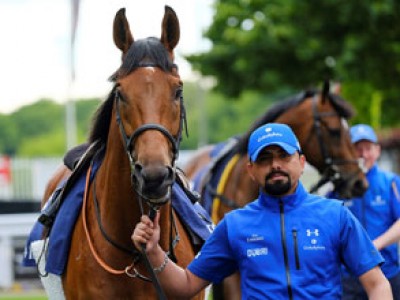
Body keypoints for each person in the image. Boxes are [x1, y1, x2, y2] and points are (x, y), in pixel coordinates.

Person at [132, 123, 392, 299]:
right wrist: (154, 251)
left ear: (301, 163)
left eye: (284, 156)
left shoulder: (336, 215)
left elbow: (377, 283)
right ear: (251, 171)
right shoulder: (234, 225)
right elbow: (186, 285)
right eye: (265, 159)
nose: (275, 165)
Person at [333, 124, 400, 300]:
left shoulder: (391, 182)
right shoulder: (338, 188)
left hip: (387, 272)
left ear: (377, 151)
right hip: (348, 278)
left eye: (368, 148)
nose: (363, 154)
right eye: (357, 149)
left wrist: (375, 244)